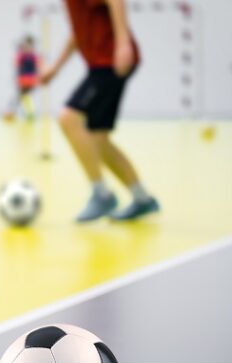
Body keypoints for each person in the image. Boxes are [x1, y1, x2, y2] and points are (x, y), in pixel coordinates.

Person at [40, 0, 159, 222]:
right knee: (98, 140)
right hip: (99, 63)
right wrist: (55, 67)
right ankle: (142, 199)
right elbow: (78, 32)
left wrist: (123, 44)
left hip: (109, 61)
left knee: (68, 118)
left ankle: (101, 194)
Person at [5, 36, 40, 122]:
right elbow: (16, 64)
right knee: (23, 96)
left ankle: (15, 113)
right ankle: (25, 113)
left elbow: (37, 67)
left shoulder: (33, 56)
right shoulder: (22, 55)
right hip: (22, 78)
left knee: (23, 96)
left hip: (29, 79)